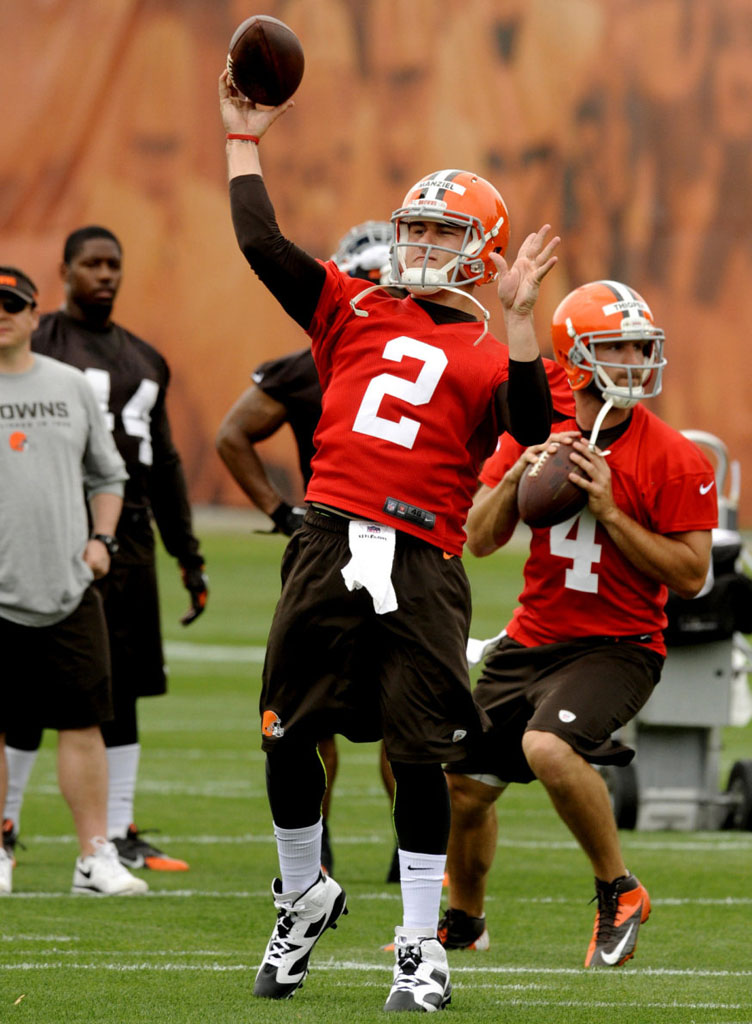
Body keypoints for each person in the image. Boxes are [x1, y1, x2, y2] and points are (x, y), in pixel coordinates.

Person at [219, 71, 557, 1011]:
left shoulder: (495, 349)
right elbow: (261, 242)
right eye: (416, 225)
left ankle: (418, 941)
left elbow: (530, 427)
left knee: (420, 755)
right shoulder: (348, 306)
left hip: (422, 558)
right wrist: (242, 138)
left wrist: (525, 323)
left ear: (483, 252)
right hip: (329, 539)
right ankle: (302, 895)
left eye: (445, 232)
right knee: (285, 736)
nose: (420, 243)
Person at [442, 279, 718, 967]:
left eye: (639, 346)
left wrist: (613, 511)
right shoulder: (536, 430)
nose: (633, 360)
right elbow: (476, 539)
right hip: (534, 636)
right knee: (465, 790)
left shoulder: (675, 456)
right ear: (573, 360)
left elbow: (690, 575)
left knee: (547, 748)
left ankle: (617, 889)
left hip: (619, 645)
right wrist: (514, 477)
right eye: (615, 347)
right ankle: (465, 922)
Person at [2, 228, 207, 874]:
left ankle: (116, 832)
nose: (104, 275)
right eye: (91, 264)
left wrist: (187, 553)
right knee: (26, 699)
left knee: (114, 686)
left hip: (125, 535)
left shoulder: (143, 358)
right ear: (63, 274)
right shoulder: (41, 345)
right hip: (44, 537)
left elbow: (162, 462)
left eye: (113, 264)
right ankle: (8, 826)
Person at [215, 220, 401, 881]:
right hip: (353, 545)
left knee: (367, 713)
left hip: (361, 549)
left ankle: (353, 853)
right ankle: (332, 849)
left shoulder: (418, 360)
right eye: (371, 283)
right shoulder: (308, 367)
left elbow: (233, 434)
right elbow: (232, 434)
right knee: (326, 713)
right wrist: (281, 514)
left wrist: (284, 517)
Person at [0, 265, 147, 895]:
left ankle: (94, 856)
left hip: (66, 586)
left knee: (83, 723)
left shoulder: (70, 386)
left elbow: (108, 475)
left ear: (36, 315)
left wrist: (101, 541)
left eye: (13, 303)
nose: (1, 312)